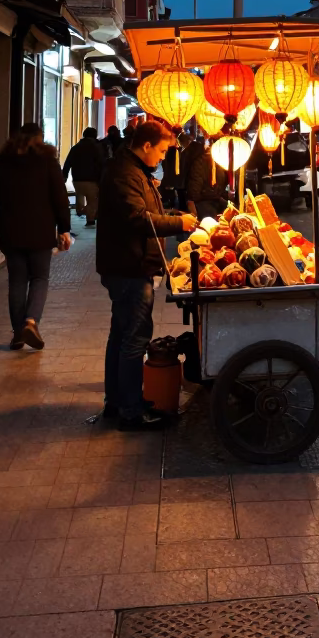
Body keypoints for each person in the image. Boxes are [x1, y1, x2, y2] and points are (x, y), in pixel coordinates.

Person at [96, 120, 197, 430]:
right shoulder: (124, 172)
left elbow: (147, 211)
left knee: (121, 334)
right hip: (129, 268)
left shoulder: (133, 169)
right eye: (163, 151)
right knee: (134, 339)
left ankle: (116, 401)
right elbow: (137, 218)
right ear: (147, 145)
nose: (164, 157)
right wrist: (179, 225)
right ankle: (131, 410)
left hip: (129, 265)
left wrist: (171, 216)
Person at [0, 122, 72, 350]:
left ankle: (18, 334)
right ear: (41, 140)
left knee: (17, 281)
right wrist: (64, 228)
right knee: (40, 279)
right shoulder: (48, 164)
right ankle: (31, 321)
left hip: (12, 234)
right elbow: (60, 198)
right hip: (41, 233)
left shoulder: (2, 165)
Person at [62, 127, 104, 225]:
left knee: (79, 195)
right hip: (92, 179)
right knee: (92, 200)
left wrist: (64, 175)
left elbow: (68, 163)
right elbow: (101, 163)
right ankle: (90, 219)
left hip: (77, 179)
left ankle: (80, 210)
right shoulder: (97, 147)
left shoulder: (75, 147)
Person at [185, 138, 227, 220]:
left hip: (216, 198)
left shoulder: (220, 162)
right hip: (203, 201)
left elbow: (222, 184)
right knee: (211, 216)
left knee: (232, 210)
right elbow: (194, 192)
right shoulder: (200, 162)